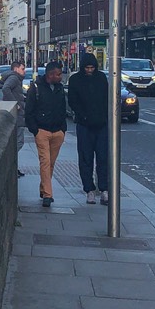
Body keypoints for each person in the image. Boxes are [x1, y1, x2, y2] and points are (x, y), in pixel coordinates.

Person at [67, 52, 110, 206]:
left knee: (103, 158)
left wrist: (104, 116)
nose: (90, 70)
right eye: (87, 68)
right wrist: (82, 115)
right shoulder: (75, 80)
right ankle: (89, 190)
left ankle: (104, 190)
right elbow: (72, 100)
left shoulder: (101, 78)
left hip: (101, 125)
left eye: (92, 67)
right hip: (84, 125)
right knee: (85, 159)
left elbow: (107, 98)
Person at [25, 61, 67, 208]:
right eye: (59, 74)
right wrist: (35, 130)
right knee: (45, 162)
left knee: (51, 163)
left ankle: (43, 189)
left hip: (57, 131)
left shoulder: (60, 88)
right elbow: (28, 111)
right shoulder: (35, 88)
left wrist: (63, 129)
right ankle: (48, 196)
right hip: (42, 131)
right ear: (50, 75)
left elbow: (63, 109)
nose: (61, 77)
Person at [0, 60, 27, 177]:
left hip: (17, 114)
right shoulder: (14, 78)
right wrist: (15, 103)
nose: (24, 71)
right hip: (17, 114)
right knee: (18, 142)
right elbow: (6, 88)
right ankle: (10, 166)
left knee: (17, 141)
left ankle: (13, 167)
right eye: (23, 69)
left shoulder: (15, 78)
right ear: (16, 69)